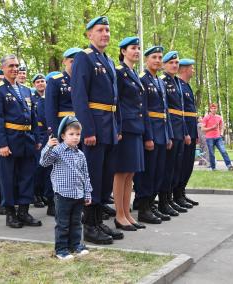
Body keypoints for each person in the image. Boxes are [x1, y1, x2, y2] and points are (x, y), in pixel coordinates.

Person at [71, 15, 123, 245]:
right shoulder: (84, 58)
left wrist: (118, 126)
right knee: (92, 178)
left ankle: (99, 221)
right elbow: (79, 97)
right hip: (95, 127)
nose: (105, 34)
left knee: (105, 178)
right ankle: (89, 226)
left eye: (108, 30)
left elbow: (115, 99)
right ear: (89, 34)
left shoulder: (108, 60)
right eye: (101, 30)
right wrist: (87, 130)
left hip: (109, 126)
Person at [0, 54, 42, 228]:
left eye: (16, 65)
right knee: (8, 179)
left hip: (27, 140)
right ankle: (10, 214)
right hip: (9, 141)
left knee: (27, 177)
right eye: (10, 65)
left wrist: (37, 138)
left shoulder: (26, 90)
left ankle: (24, 212)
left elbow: (33, 116)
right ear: (3, 68)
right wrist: (1, 144)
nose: (14, 68)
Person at [40, 116, 91, 260]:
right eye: (71, 134)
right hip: (63, 194)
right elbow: (43, 162)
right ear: (63, 136)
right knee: (63, 224)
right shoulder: (57, 151)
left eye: (78, 134)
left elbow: (85, 175)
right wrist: (48, 146)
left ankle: (75, 245)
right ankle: (61, 249)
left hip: (78, 194)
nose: (75, 138)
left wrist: (87, 193)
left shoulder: (80, 154)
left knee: (76, 222)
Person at [134, 46, 173, 224]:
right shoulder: (142, 79)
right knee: (147, 174)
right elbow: (143, 111)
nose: (157, 60)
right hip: (150, 132)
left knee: (158, 172)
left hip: (162, 133)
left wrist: (168, 136)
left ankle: (150, 205)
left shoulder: (159, 81)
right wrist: (147, 137)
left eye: (159, 57)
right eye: (154, 57)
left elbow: (165, 112)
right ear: (146, 60)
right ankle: (143, 208)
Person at [112, 36, 147, 231]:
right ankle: (119, 215)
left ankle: (127, 213)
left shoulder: (132, 73)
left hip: (135, 128)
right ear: (123, 51)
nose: (137, 51)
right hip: (124, 128)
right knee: (121, 172)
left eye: (139, 48)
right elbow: (115, 101)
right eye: (133, 48)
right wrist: (118, 127)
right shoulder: (119, 72)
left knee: (130, 173)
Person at [160, 51, 191, 212]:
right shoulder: (163, 81)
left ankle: (171, 197)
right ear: (164, 65)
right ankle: (164, 200)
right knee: (167, 167)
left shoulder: (178, 82)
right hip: (170, 128)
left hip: (180, 128)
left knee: (176, 166)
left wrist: (185, 132)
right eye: (171, 63)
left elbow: (182, 111)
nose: (174, 65)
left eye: (176, 63)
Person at [175, 59, 199, 206]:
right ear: (184, 70)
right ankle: (177, 194)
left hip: (191, 128)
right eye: (191, 68)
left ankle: (182, 192)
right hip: (184, 129)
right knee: (182, 164)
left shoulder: (186, 86)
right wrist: (185, 132)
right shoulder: (178, 86)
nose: (193, 70)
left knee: (188, 164)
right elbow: (181, 112)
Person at [45, 48, 82, 135]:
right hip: (64, 126)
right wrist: (54, 133)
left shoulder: (83, 81)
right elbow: (50, 110)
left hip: (82, 125)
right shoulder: (55, 81)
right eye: (72, 61)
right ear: (64, 61)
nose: (75, 65)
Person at [201, 103, 233, 171]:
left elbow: (222, 126)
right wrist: (212, 128)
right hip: (209, 138)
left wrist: (221, 133)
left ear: (217, 109)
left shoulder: (219, 117)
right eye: (212, 108)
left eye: (215, 108)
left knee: (223, 151)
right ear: (210, 109)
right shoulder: (206, 117)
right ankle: (213, 168)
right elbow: (202, 129)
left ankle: (229, 166)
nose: (214, 109)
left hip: (218, 138)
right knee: (211, 153)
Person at [31, 73, 47, 208]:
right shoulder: (32, 98)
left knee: (46, 166)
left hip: (47, 134)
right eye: (38, 82)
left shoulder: (49, 97)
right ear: (34, 85)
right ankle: (35, 194)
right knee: (38, 166)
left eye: (42, 81)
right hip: (38, 134)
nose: (41, 83)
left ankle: (43, 193)